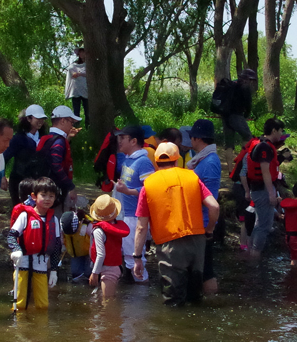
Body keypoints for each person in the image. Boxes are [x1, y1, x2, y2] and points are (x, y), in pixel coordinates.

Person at [131, 143, 220, 306]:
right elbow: (214, 206)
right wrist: (209, 230)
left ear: (156, 162)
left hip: (169, 245)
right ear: (178, 160)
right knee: (195, 297)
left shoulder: (148, 185)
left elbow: (141, 227)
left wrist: (137, 257)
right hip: (197, 241)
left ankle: (173, 330)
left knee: (173, 300)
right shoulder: (193, 177)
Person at [7, 176, 62, 312]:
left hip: (41, 264)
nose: (48, 199)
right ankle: (18, 330)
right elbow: (11, 236)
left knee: (43, 305)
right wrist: (16, 249)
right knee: (20, 304)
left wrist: (54, 270)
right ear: (34, 196)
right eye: (43, 195)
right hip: (23, 262)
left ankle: (41, 330)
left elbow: (56, 247)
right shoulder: (25, 216)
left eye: (51, 196)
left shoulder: (54, 220)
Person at [113, 124, 155, 281]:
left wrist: (128, 191)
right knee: (127, 258)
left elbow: (149, 189)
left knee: (134, 259)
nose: (119, 141)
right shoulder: (127, 159)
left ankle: (141, 294)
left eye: (122, 138)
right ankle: (134, 295)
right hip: (126, 214)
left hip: (136, 217)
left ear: (133, 141)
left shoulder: (143, 162)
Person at [186, 118, 222, 295]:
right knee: (200, 267)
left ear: (197, 138)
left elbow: (210, 199)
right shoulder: (205, 159)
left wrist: (209, 229)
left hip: (204, 223)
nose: (190, 140)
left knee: (207, 270)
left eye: (191, 136)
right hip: (200, 222)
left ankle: (211, 304)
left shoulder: (208, 162)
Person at [245, 118, 288, 259]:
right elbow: (265, 172)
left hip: (261, 189)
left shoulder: (264, 145)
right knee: (264, 225)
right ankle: (255, 255)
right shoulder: (265, 147)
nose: (281, 134)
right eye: (281, 131)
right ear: (274, 130)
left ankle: (252, 253)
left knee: (260, 224)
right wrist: (271, 194)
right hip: (262, 190)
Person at [37, 106, 81, 210]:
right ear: (62, 121)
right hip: (53, 191)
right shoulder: (59, 141)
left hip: (44, 187)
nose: (72, 125)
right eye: (71, 121)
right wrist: (70, 186)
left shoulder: (49, 138)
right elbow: (56, 165)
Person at [86, 194, 128, 301]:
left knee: (107, 303)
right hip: (115, 267)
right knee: (105, 300)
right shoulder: (114, 225)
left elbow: (100, 254)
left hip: (107, 271)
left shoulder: (98, 231)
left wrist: (94, 273)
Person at [4, 105, 49, 206]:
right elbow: (4, 157)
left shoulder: (45, 138)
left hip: (38, 184)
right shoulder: (17, 139)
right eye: (38, 118)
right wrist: (2, 176)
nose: (41, 121)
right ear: (28, 118)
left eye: (42, 118)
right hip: (19, 183)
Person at [211, 69, 254, 146]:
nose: (251, 82)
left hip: (225, 116)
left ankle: (229, 158)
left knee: (229, 144)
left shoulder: (232, 84)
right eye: (251, 80)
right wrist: (246, 115)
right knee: (248, 137)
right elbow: (248, 104)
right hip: (237, 116)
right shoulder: (245, 87)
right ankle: (244, 157)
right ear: (247, 79)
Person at [66, 45, 89, 124]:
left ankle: (87, 126)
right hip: (76, 91)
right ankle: (76, 128)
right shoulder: (74, 65)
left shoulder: (90, 64)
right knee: (76, 112)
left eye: (84, 52)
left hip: (86, 91)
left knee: (87, 111)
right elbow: (70, 70)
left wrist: (80, 73)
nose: (82, 54)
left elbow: (90, 73)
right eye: (81, 52)